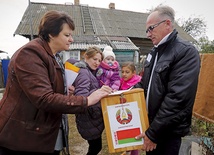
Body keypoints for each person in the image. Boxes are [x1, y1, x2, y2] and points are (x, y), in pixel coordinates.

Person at [0, 10, 112, 155]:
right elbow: (44, 98)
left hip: (39, 133)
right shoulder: (30, 54)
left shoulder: (52, 56)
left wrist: (66, 92)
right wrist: (87, 100)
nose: (71, 39)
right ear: (51, 34)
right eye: (67, 35)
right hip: (22, 139)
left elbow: (47, 89)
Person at [134, 5, 201, 155]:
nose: (148, 34)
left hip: (167, 132)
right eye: (147, 30)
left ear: (167, 24)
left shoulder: (186, 52)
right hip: (151, 126)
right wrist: (124, 95)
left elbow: (178, 99)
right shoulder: (154, 52)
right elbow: (144, 83)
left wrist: (153, 134)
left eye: (151, 28)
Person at [66, 46, 105, 155]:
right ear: (86, 57)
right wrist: (99, 92)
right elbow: (82, 97)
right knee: (96, 147)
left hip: (91, 118)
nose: (97, 63)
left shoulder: (90, 72)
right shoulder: (84, 72)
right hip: (88, 117)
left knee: (95, 146)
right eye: (94, 59)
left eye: (99, 60)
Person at [119, 61, 142, 155]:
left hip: (135, 112)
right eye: (123, 71)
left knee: (134, 135)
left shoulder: (138, 82)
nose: (124, 74)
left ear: (134, 73)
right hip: (124, 111)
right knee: (125, 132)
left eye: (127, 72)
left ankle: (134, 152)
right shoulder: (121, 82)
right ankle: (127, 149)